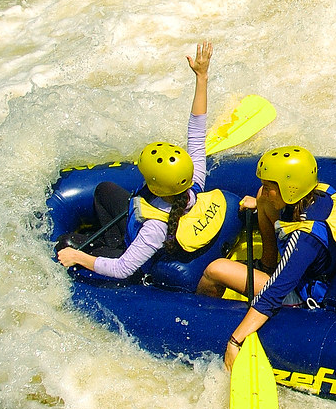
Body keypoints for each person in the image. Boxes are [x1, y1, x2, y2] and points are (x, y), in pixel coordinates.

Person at [57, 40, 218, 278]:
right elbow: (197, 131)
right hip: (135, 225)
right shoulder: (193, 181)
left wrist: (78, 257)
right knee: (104, 191)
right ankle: (112, 239)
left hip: (132, 252)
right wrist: (201, 77)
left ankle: (115, 245)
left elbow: (122, 269)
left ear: (155, 184)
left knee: (67, 242)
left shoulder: (156, 228)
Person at [197, 146, 336, 369]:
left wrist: (234, 341)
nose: (265, 191)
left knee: (215, 270)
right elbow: (267, 201)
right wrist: (260, 203)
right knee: (260, 199)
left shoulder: (303, 240)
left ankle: (198, 316)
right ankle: (267, 263)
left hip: (300, 292)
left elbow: (273, 295)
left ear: (290, 188)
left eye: (270, 188)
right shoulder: (320, 193)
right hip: (301, 266)